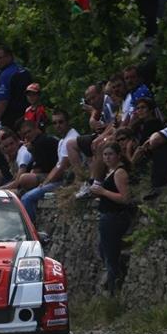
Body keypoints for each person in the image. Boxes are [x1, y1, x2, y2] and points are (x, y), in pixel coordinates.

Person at [21, 110, 79, 223]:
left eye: (61, 122)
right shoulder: (63, 139)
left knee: (27, 198)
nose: (58, 125)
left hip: (67, 181)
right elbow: (58, 165)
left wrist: (45, 183)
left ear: (68, 122)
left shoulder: (71, 139)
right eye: (55, 123)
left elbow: (63, 166)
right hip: (62, 178)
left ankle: (31, 232)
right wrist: (46, 181)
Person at [89, 142, 132, 296]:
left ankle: (114, 290)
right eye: (105, 154)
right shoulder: (109, 171)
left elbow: (125, 198)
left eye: (110, 154)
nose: (107, 157)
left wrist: (103, 192)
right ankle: (115, 280)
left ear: (118, 155)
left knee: (110, 254)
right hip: (107, 216)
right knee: (103, 250)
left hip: (114, 218)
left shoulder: (120, 173)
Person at [0, 45, 32, 132]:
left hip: (12, 121)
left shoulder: (6, 75)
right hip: (28, 118)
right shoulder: (23, 70)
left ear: (9, 57)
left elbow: (2, 102)